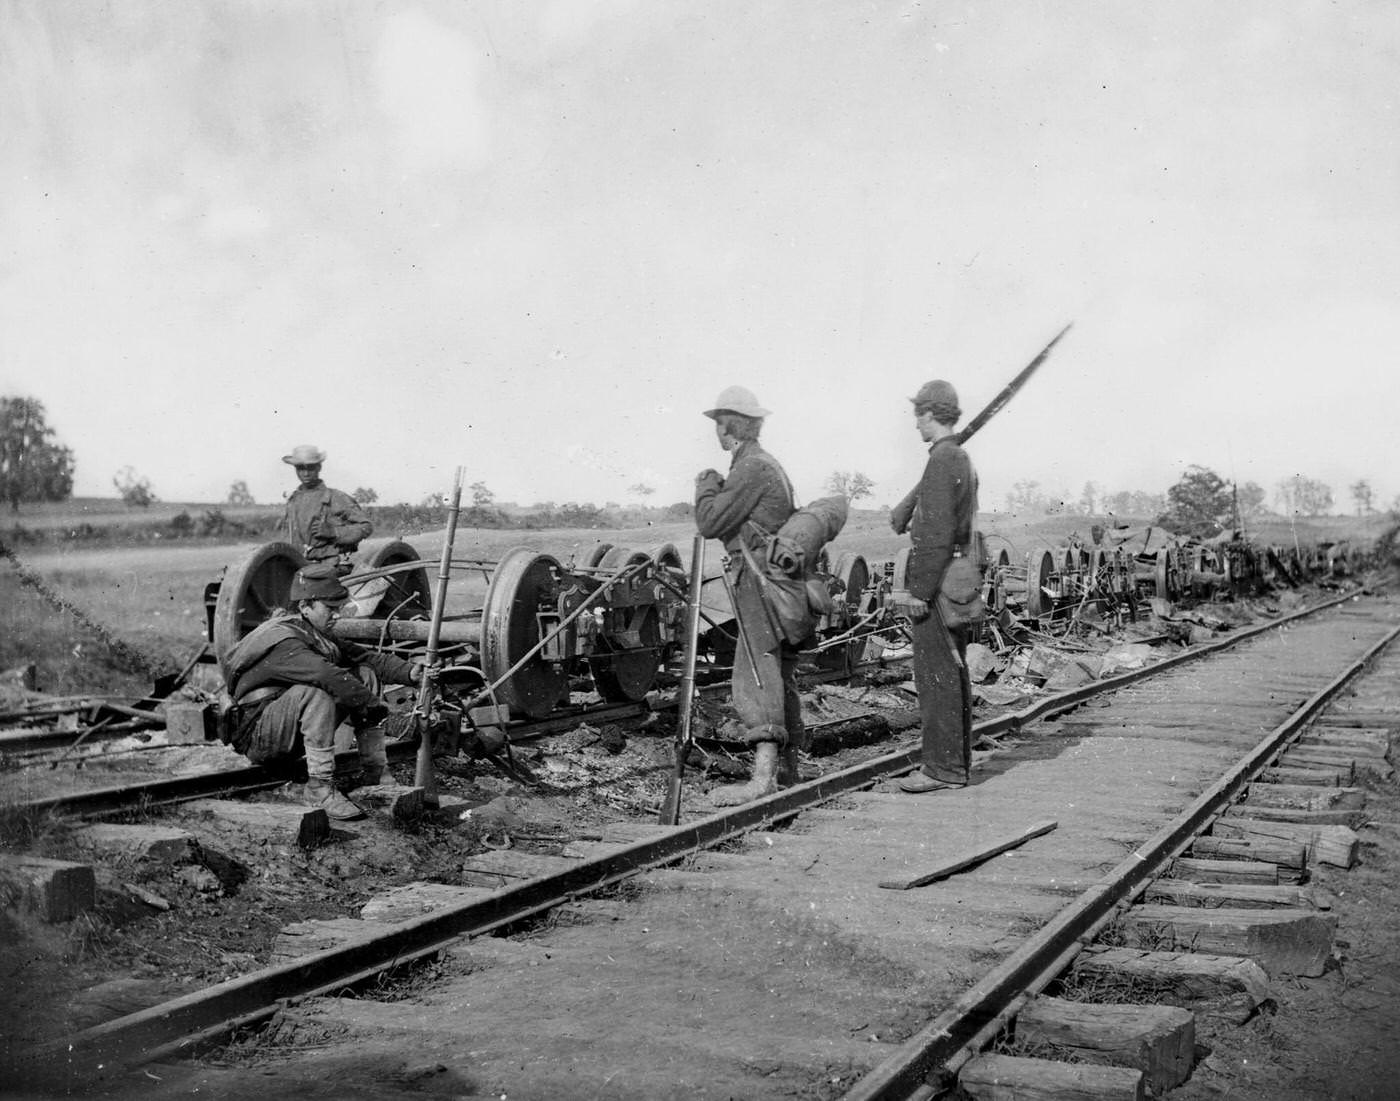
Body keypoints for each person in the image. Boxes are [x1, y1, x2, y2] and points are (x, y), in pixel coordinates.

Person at [221, 562, 427, 820]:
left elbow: (365, 657)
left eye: (338, 608)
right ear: (305, 607)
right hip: (259, 736)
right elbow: (326, 675)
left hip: (283, 730)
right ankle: (319, 788)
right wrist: (382, 711)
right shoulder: (287, 642)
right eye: (330, 608)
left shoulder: (311, 632)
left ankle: (375, 773)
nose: (337, 615)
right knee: (317, 693)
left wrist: (409, 672)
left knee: (364, 674)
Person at [694, 385, 805, 805]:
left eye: (719, 425)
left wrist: (706, 484)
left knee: (755, 669)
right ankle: (788, 769)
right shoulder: (767, 465)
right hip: (778, 578)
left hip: (759, 578)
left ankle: (763, 778)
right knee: (777, 667)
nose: (716, 434)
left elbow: (709, 521)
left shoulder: (750, 468)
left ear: (730, 427)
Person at [891, 380, 979, 793]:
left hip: (938, 584)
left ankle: (942, 770)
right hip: (956, 578)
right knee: (953, 670)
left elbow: (936, 535)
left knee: (937, 675)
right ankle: (953, 766)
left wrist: (919, 592)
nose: (915, 426)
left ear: (929, 414)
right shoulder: (958, 457)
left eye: (917, 417)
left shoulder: (943, 460)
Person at [280, 445, 373, 567]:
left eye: (310, 468)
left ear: (319, 467)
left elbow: (366, 527)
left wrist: (333, 532)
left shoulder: (336, 498)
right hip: (297, 565)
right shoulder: (293, 501)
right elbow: (286, 536)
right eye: (300, 468)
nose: (306, 473)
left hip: (329, 567)